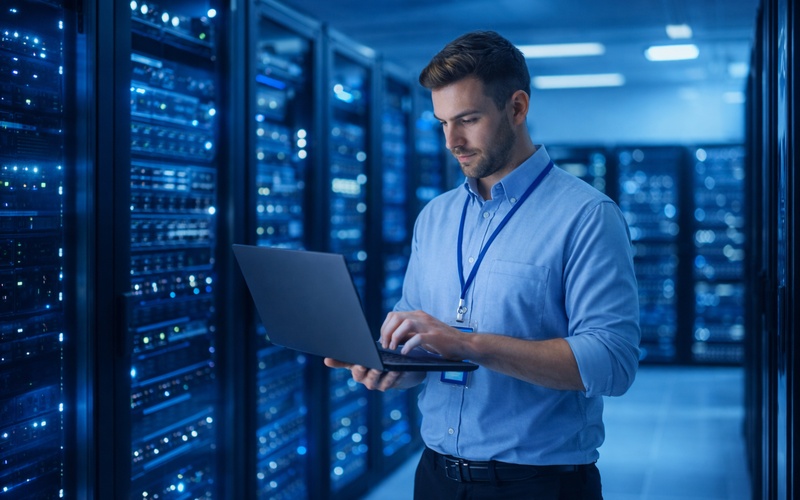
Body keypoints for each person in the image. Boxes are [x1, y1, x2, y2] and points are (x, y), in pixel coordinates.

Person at [325, 30, 640, 500]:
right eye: (442, 122)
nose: (452, 140)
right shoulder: (435, 217)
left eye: (468, 119)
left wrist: (467, 344)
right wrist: (392, 366)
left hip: (537, 485)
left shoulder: (587, 216)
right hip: (435, 477)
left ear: (516, 108)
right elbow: (423, 348)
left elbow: (613, 362)